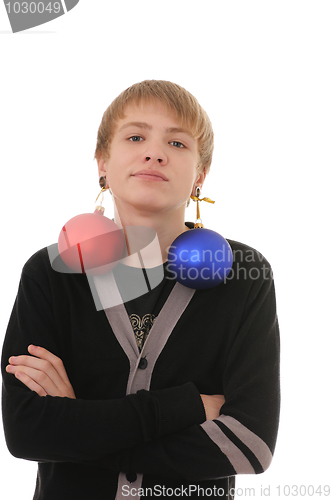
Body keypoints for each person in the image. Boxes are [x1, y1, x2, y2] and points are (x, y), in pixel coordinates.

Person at [1, 80, 280, 499]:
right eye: (135, 137)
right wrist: (188, 406)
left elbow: (251, 445)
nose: (154, 152)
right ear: (102, 163)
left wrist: (76, 425)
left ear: (200, 175)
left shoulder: (243, 275)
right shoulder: (51, 272)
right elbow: (26, 433)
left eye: (178, 143)